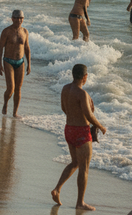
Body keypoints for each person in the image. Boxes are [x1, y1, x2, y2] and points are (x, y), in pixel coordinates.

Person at [51, 64, 107, 211]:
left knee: (75, 162)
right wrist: (101, 126)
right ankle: (80, 202)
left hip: (69, 129)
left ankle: (57, 189)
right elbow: (89, 114)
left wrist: (74, 116)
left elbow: (64, 108)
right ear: (85, 77)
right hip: (81, 132)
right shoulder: (82, 94)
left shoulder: (65, 89)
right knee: (84, 168)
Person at [0, 10, 31, 117]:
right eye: (16, 18)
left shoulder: (25, 31)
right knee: (10, 88)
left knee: (18, 89)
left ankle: (15, 112)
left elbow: (27, 48)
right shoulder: (6, 31)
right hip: (8, 61)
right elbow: (0, 49)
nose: (19, 20)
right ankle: (5, 104)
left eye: (21, 18)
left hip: (20, 62)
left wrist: (29, 64)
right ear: (12, 19)